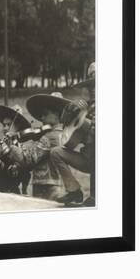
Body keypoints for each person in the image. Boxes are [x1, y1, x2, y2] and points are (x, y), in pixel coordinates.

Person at [8, 92, 70, 201]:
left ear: (57, 115)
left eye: (46, 113)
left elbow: (29, 160)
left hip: (46, 187)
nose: (42, 117)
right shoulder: (62, 134)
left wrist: (11, 146)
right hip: (57, 183)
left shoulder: (50, 137)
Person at [50, 62, 96, 206]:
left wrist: (90, 133)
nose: (92, 89)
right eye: (90, 86)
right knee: (56, 152)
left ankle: (95, 197)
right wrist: (70, 110)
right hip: (88, 158)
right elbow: (64, 127)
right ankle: (74, 191)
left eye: (95, 85)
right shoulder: (86, 106)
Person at [0, 104, 32, 194]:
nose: (5, 128)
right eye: (4, 125)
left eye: (9, 125)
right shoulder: (3, 145)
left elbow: (26, 173)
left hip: (12, 192)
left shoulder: (21, 147)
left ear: (17, 127)